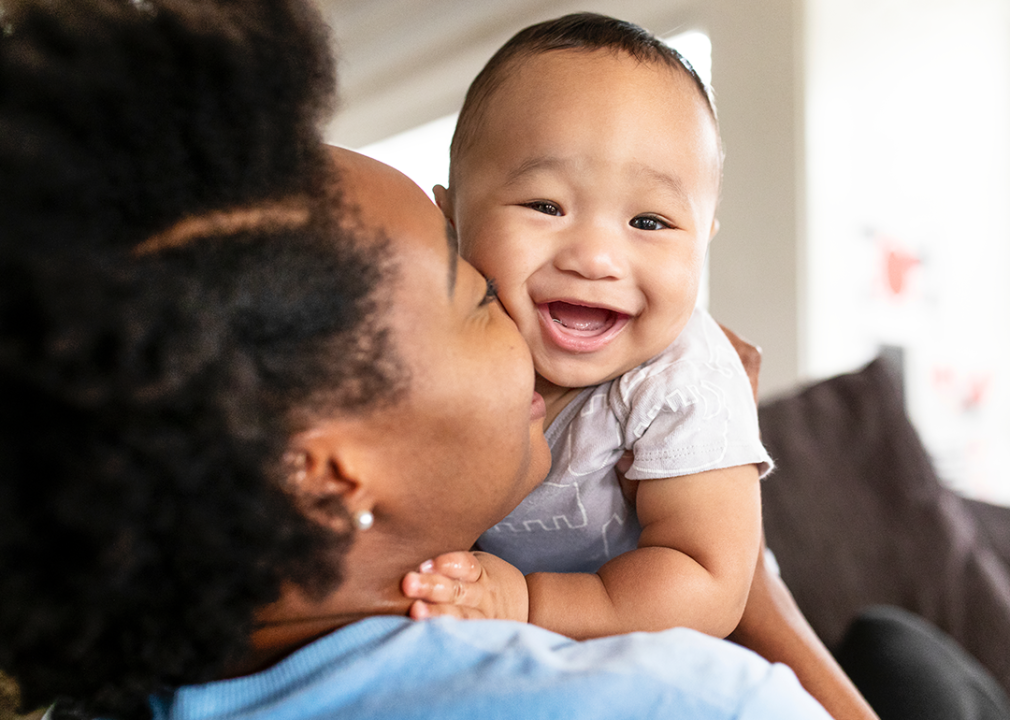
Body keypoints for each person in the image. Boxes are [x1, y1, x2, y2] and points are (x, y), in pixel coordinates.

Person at [0, 2, 835, 719]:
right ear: (327, 476)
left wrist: (737, 568)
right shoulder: (694, 702)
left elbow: (702, 570)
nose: (528, 312)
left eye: (648, 222)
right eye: (475, 293)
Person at [404, 10, 770, 641]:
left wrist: (528, 603)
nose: (595, 259)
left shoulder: (683, 381)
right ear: (450, 222)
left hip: (645, 639)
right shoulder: (426, 342)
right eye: (545, 205)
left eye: (650, 222)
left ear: (701, 244)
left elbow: (707, 585)